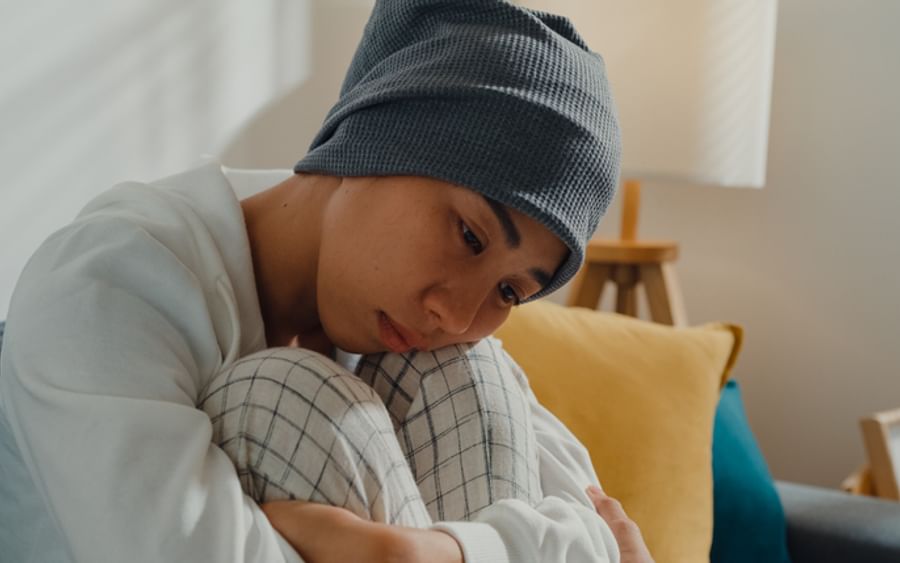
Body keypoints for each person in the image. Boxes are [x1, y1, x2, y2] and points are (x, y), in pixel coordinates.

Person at [0, 0, 654, 562]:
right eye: (470, 236)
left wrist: (437, 552)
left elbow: (607, 532)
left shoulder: (416, 336)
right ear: (375, 137)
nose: (455, 314)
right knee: (283, 395)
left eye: (511, 291)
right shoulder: (107, 284)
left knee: (466, 371)